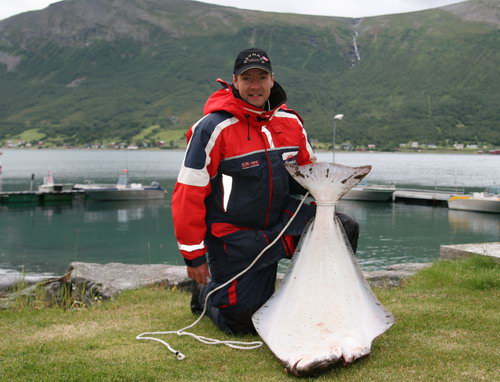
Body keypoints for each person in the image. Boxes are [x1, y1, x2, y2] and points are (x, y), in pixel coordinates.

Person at [171, 48, 359, 334]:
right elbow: (188, 192)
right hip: (235, 238)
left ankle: (319, 304)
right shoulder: (212, 128)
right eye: (248, 78)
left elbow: (308, 174)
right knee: (243, 323)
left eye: (262, 77)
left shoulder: (291, 122)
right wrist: (193, 254)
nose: (255, 85)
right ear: (235, 81)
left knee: (343, 226)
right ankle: (205, 294)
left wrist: (331, 188)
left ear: (273, 80)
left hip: (281, 225)